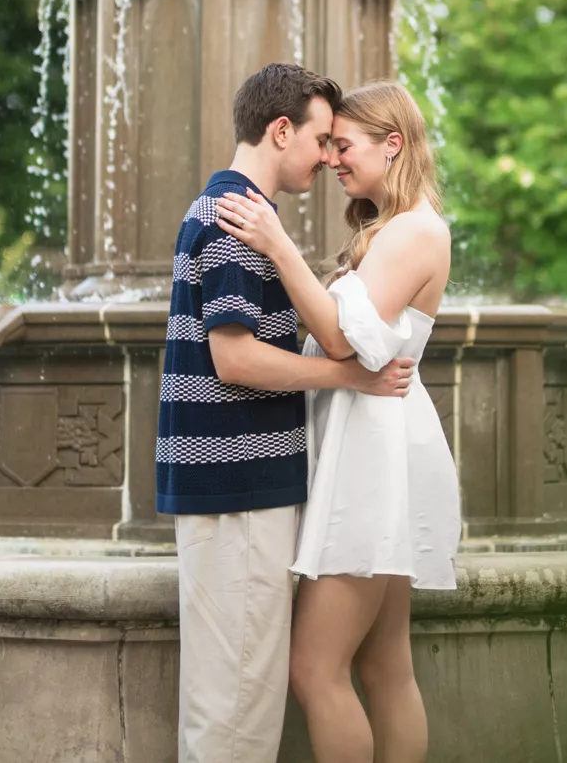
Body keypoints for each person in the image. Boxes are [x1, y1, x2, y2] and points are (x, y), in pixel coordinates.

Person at [156, 63, 416, 763]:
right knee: (238, 706)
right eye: (323, 138)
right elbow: (234, 360)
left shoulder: (236, 212)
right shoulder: (235, 218)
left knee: (226, 699)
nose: (330, 156)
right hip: (238, 484)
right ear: (280, 130)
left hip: (232, 481)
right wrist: (347, 375)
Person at [215, 79, 459, 763]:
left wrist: (277, 242)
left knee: (315, 668)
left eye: (343, 145)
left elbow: (348, 341)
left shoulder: (413, 230)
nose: (333, 160)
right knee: (382, 666)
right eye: (327, 145)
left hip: (372, 457)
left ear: (392, 143)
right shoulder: (399, 228)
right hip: (377, 439)